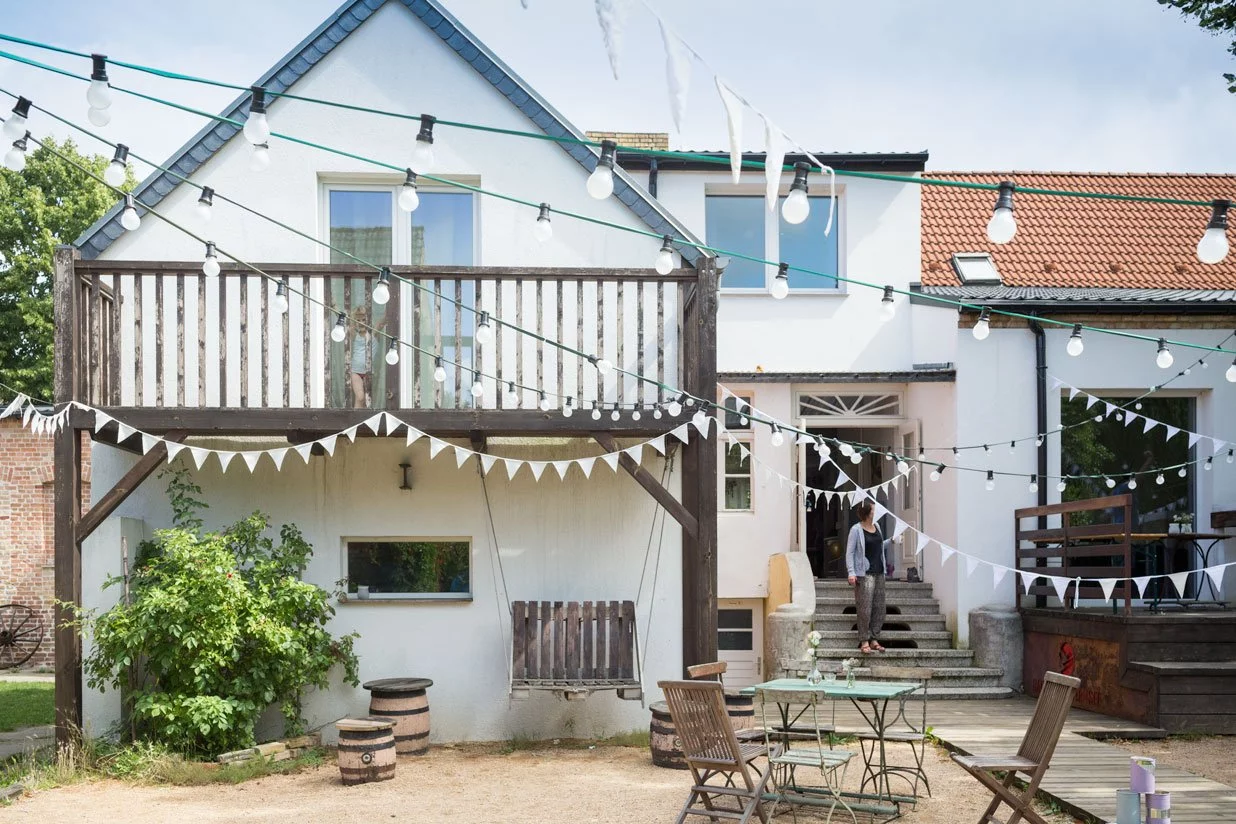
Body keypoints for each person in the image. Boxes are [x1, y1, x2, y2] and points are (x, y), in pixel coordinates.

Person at [845, 499, 895, 654]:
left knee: (879, 608)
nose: (876, 512)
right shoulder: (856, 529)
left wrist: (891, 541)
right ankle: (864, 640)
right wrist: (851, 572)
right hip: (864, 574)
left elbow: (879, 546)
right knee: (864, 609)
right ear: (867, 513)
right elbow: (850, 552)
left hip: (879, 572)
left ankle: (874, 639)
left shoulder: (877, 527)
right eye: (874, 510)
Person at [349, 308, 372, 409]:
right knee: (360, 397)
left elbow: (382, 322)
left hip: (370, 371)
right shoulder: (355, 334)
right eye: (358, 320)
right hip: (356, 371)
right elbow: (347, 323)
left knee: (369, 400)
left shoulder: (372, 333)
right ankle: (356, 422)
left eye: (364, 320)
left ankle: (364, 422)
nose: (362, 323)